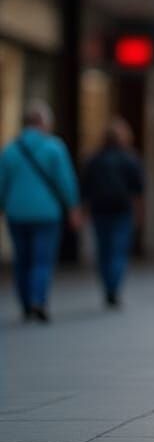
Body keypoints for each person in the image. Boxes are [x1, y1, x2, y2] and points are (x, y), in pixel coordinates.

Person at [0, 101, 81, 322]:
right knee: (42, 259)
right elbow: (65, 181)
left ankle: (25, 303)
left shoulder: (10, 150)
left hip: (17, 212)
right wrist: (73, 207)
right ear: (44, 123)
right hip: (47, 213)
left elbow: (1, 183)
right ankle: (38, 299)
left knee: (22, 259)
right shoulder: (54, 148)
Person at [81, 118, 144, 307]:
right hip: (121, 209)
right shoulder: (129, 158)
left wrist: (83, 210)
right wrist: (139, 213)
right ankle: (113, 288)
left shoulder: (94, 159)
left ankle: (108, 285)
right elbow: (138, 190)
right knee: (117, 250)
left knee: (104, 250)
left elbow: (84, 187)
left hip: (100, 210)